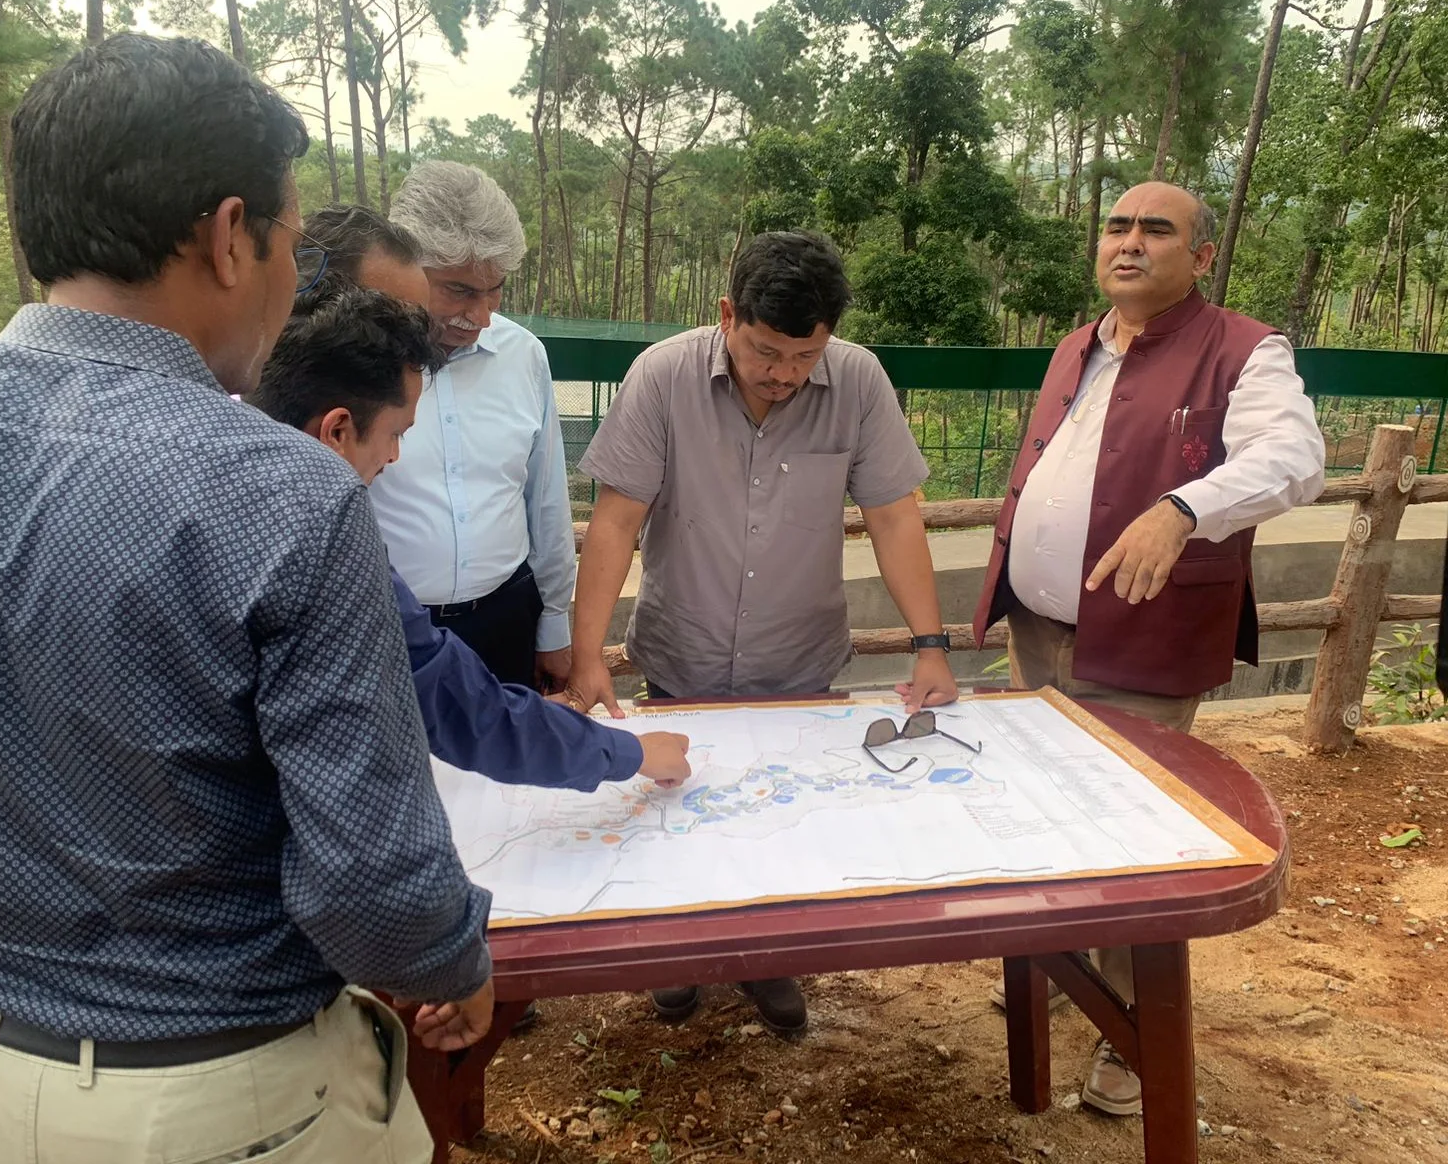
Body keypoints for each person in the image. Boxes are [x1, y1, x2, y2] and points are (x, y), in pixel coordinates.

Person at [0, 34, 493, 1163]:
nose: (296, 281)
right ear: (229, 234)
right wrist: (451, 968)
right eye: (295, 242)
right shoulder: (282, 489)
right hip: (228, 1101)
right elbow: (369, 885)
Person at [972, 181, 1325, 1116]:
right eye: (1118, 226)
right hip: (1038, 631)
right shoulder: (1077, 346)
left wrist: (1184, 508)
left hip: (1146, 637)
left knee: (1129, 833)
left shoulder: (1248, 352)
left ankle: (1132, 1028)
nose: (1129, 243)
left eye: (1156, 230)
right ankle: (1060, 965)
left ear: (1200, 258)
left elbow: (1294, 458)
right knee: (1045, 810)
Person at [562, 230, 960, 1035]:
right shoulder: (662, 376)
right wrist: (587, 658)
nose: (783, 374)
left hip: (798, 658)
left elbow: (892, 515)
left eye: (803, 357)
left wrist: (932, 643)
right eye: (765, 351)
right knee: (678, 808)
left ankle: (770, 965)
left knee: (787, 819)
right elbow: (616, 522)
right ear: (726, 314)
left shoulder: (858, 382)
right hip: (686, 650)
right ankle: (677, 961)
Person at [248, 277, 693, 792]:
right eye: (396, 435)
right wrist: (627, 751)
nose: (394, 458)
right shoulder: (327, 548)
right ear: (338, 431)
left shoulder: (220, 492)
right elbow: (470, 713)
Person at [373, 161, 576, 693]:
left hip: (505, 624)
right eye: (460, 291)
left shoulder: (523, 355)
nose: (482, 315)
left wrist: (554, 624)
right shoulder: (355, 358)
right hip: (385, 631)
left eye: (496, 291)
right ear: (405, 267)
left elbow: (546, 501)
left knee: (510, 774)